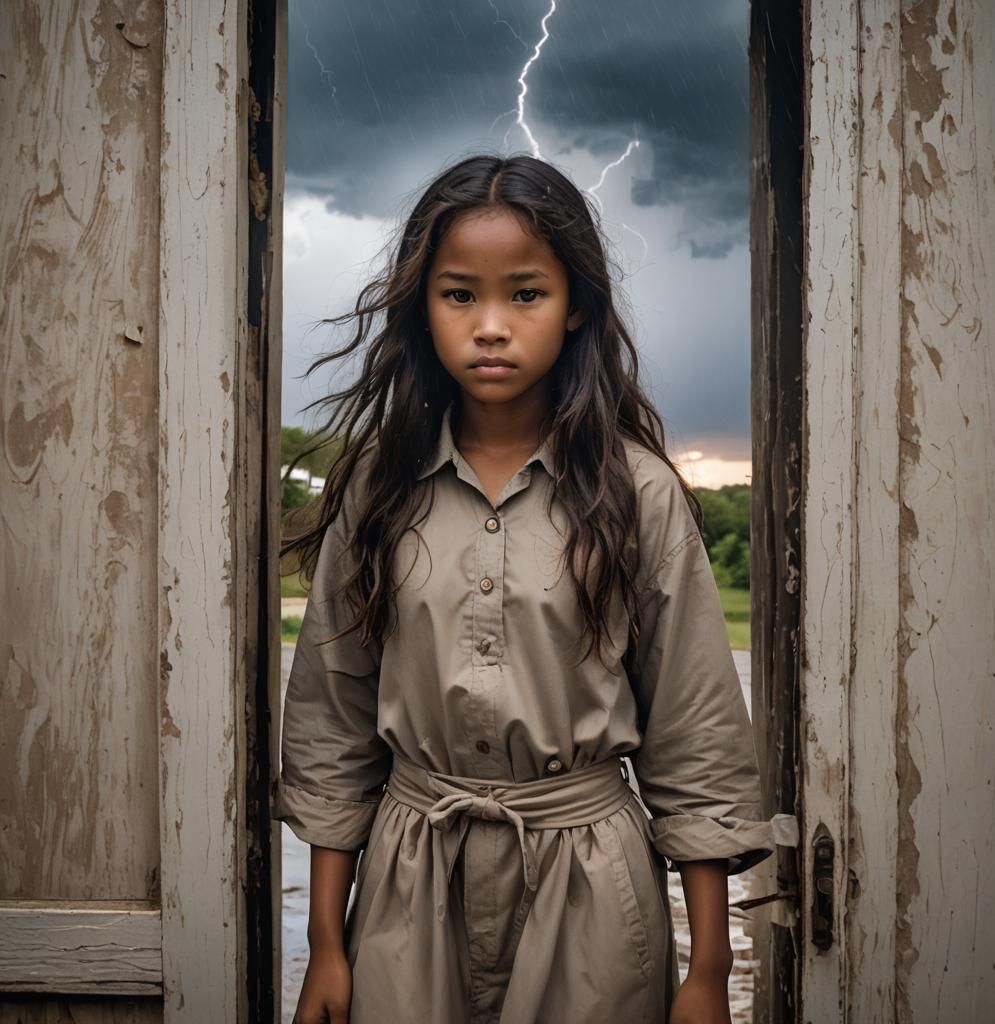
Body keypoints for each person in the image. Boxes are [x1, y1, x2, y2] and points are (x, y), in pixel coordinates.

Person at [272, 153, 778, 1024]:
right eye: (460, 294)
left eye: (527, 294)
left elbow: (695, 740)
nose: (492, 326)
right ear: (421, 308)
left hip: (590, 886)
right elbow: (333, 725)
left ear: (576, 305)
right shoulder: (378, 490)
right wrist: (326, 942)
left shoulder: (639, 493)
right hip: (409, 880)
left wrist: (706, 971)